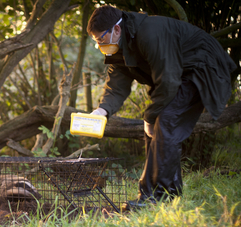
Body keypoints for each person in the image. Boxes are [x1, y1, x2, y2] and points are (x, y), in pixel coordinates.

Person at [87, 5, 236, 209]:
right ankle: (168, 192)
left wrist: (150, 116)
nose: (100, 45)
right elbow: (116, 88)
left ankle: (156, 198)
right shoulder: (118, 48)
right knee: (159, 125)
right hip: (177, 75)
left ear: (116, 29)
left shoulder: (150, 33)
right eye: (96, 42)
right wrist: (101, 111)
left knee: (165, 122)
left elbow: (168, 80)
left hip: (202, 67)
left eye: (100, 39)